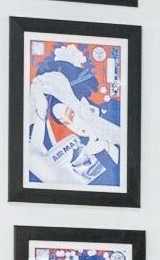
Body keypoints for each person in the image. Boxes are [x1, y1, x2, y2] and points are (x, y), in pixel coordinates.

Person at [23, 43, 125, 189]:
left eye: (70, 115)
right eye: (64, 122)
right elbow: (33, 155)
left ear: (81, 103)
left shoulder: (114, 111)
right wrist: (41, 111)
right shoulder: (83, 149)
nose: (72, 127)